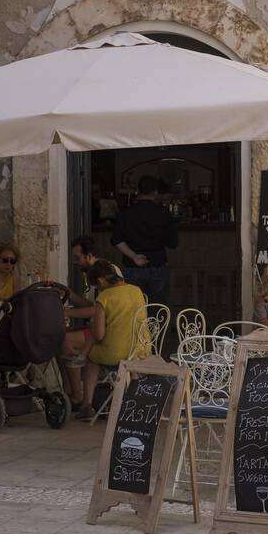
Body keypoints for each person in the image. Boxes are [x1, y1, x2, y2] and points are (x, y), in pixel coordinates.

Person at [63, 259, 149, 419]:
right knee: (94, 346)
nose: (98, 289)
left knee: (92, 357)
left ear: (101, 280)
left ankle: (86, 404)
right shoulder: (136, 290)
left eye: (97, 286)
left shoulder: (105, 297)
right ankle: (133, 387)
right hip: (140, 349)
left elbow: (100, 335)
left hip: (117, 354)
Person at [112, 175, 178, 308]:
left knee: (133, 310)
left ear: (138, 190)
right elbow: (173, 243)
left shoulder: (126, 213)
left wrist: (134, 256)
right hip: (157, 265)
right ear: (155, 192)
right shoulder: (163, 213)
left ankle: (137, 330)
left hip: (132, 267)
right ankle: (156, 330)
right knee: (158, 311)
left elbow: (117, 240)